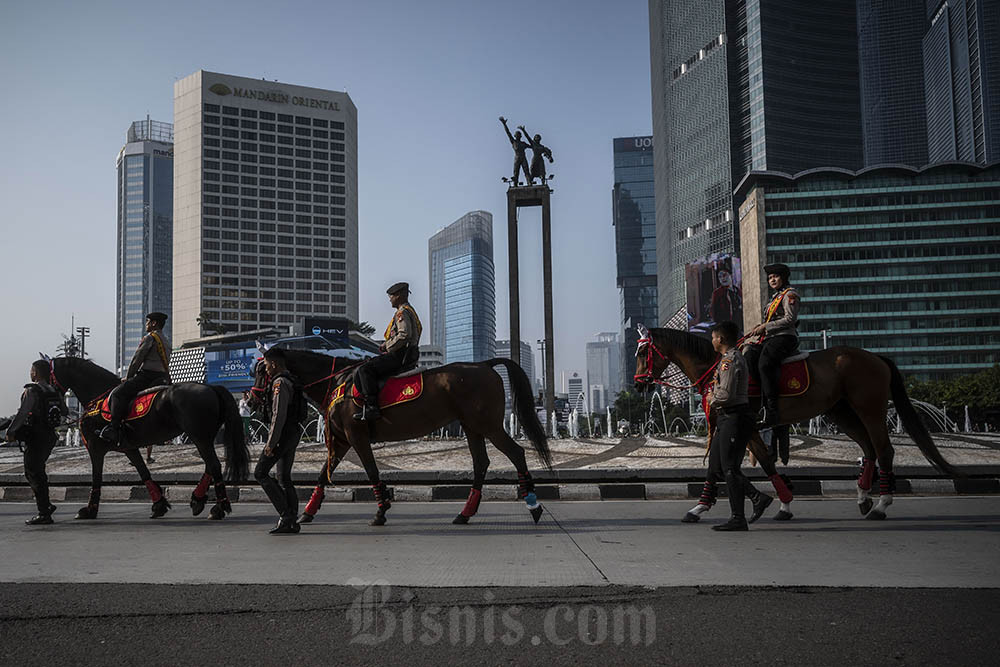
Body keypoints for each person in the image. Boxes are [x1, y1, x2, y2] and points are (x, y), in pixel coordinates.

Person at [705, 321, 772, 532]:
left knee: (730, 468)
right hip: (727, 418)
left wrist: (710, 398)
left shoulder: (730, 361)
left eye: (713, 337)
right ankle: (755, 497)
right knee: (716, 465)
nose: (712, 341)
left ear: (721, 339)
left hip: (734, 417)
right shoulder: (727, 359)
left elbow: (725, 394)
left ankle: (739, 516)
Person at [6, 360, 68, 525]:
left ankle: (44, 513)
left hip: (36, 436)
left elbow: (23, 413)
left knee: (33, 472)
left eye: (32, 370)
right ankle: (46, 505)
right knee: (38, 471)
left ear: (36, 373)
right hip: (49, 437)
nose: (30, 373)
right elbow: (65, 411)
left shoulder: (31, 390)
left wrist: (11, 432)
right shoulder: (54, 390)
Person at [253, 347, 306, 534]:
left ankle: (286, 515)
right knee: (284, 478)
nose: (266, 370)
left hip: (282, 435)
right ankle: (292, 520)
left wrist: (271, 443)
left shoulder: (280, 383)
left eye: (266, 366)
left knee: (260, 472)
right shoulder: (291, 379)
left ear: (274, 364)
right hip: (293, 433)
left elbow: (278, 415)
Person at [353, 282, 423, 421]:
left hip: (400, 356)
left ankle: (372, 407)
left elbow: (404, 335)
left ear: (400, 296)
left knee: (364, 370)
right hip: (408, 354)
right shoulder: (410, 311)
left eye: (391, 296)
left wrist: (387, 346)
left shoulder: (402, 312)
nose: (390, 299)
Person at [99, 312, 171, 444]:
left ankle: (114, 429)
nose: (146, 324)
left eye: (148, 321)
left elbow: (137, 359)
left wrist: (128, 377)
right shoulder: (166, 340)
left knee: (117, 394)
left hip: (147, 376)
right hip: (162, 377)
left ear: (154, 323)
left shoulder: (150, 338)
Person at [744, 263, 800, 428]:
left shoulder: (790, 294)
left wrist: (765, 327)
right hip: (771, 338)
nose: (772, 280)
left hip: (785, 338)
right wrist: (760, 328)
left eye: (775, 276)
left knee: (765, 363)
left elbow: (790, 319)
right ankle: (761, 399)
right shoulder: (775, 298)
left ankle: (772, 409)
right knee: (749, 355)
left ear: (783, 278)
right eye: (769, 278)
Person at [500, 117, 532, 186]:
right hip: (517, 158)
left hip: (523, 158)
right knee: (516, 172)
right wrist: (504, 124)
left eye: (519, 135)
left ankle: (529, 182)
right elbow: (508, 133)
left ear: (520, 136)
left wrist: (524, 131)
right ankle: (515, 183)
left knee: (526, 171)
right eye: (516, 135)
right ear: (515, 136)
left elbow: (532, 146)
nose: (517, 136)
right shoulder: (513, 142)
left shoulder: (523, 143)